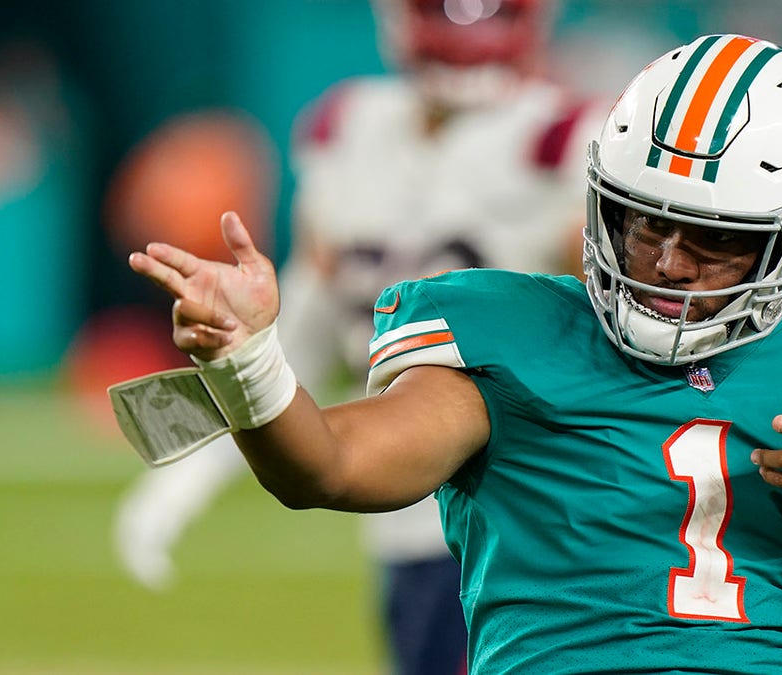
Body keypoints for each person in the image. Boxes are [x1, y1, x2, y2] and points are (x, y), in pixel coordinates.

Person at [125, 33, 782, 674]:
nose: (670, 262)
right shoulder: (508, 333)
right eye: (644, 223)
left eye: (714, 239)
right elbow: (328, 465)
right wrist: (247, 357)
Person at [113, 0, 603, 673]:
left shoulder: (572, 140)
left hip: (524, 506)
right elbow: (310, 316)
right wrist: (195, 463)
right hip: (400, 501)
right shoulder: (348, 129)